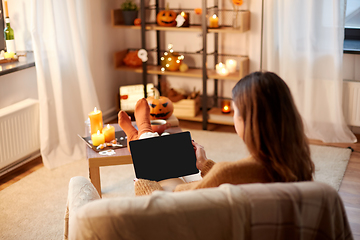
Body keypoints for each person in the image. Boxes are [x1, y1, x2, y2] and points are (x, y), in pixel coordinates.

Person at [118, 71, 315, 196]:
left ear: (248, 121)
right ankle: (140, 132)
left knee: (160, 171)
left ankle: (141, 131)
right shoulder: (299, 166)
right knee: (180, 164)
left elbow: (168, 206)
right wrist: (205, 165)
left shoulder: (228, 172)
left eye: (235, 110)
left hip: (186, 213)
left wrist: (144, 186)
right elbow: (225, 180)